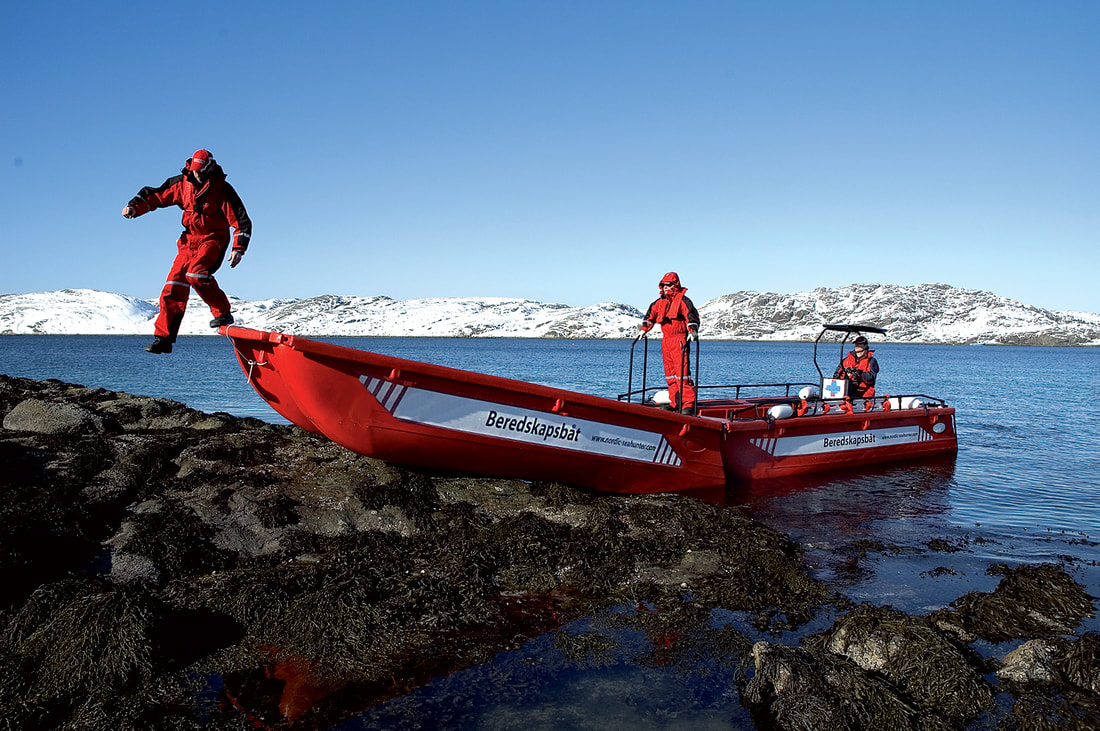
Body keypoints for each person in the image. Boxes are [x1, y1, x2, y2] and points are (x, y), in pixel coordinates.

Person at [122, 149, 252, 354]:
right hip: (188, 240)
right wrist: (134, 207)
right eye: (195, 171)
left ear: (210, 167)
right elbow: (156, 195)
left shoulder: (223, 190)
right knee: (172, 286)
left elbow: (242, 222)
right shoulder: (181, 183)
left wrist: (238, 249)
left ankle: (223, 312)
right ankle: (163, 339)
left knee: (196, 274)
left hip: (213, 238)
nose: (198, 174)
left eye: (201, 171)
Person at [639, 272, 700, 411]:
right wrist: (644, 329)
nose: (666, 287)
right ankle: (675, 402)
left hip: (679, 340)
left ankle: (688, 405)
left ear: (675, 285)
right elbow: (650, 316)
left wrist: (692, 331)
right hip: (666, 341)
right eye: (664, 285)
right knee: (670, 375)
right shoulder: (659, 303)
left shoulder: (683, 301)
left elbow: (692, 316)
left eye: (669, 284)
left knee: (682, 374)